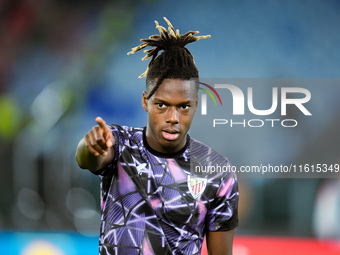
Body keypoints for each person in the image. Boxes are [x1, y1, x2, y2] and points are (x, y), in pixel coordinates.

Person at [76, 17, 239, 255]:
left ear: (196, 104)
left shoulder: (217, 171)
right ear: (145, 101)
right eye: (162, 105)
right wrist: (90, 147)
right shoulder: (119, 143)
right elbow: (87, 160)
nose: (173, 117)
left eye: (183, 106)